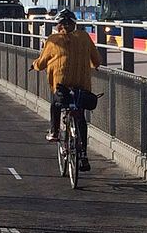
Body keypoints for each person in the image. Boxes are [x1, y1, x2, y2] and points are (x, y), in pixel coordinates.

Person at [31, 9, 101, 171]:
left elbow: (41, 64)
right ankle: (83, 154)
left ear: (58, 25)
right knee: (81, 117)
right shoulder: (84, 37)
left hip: (62, 85)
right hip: (81, 86)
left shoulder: (53, 40)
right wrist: (94, 65)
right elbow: (97, 59)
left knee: (56, 103)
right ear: (74, 24)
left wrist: (34, 65)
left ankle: (54, 131)